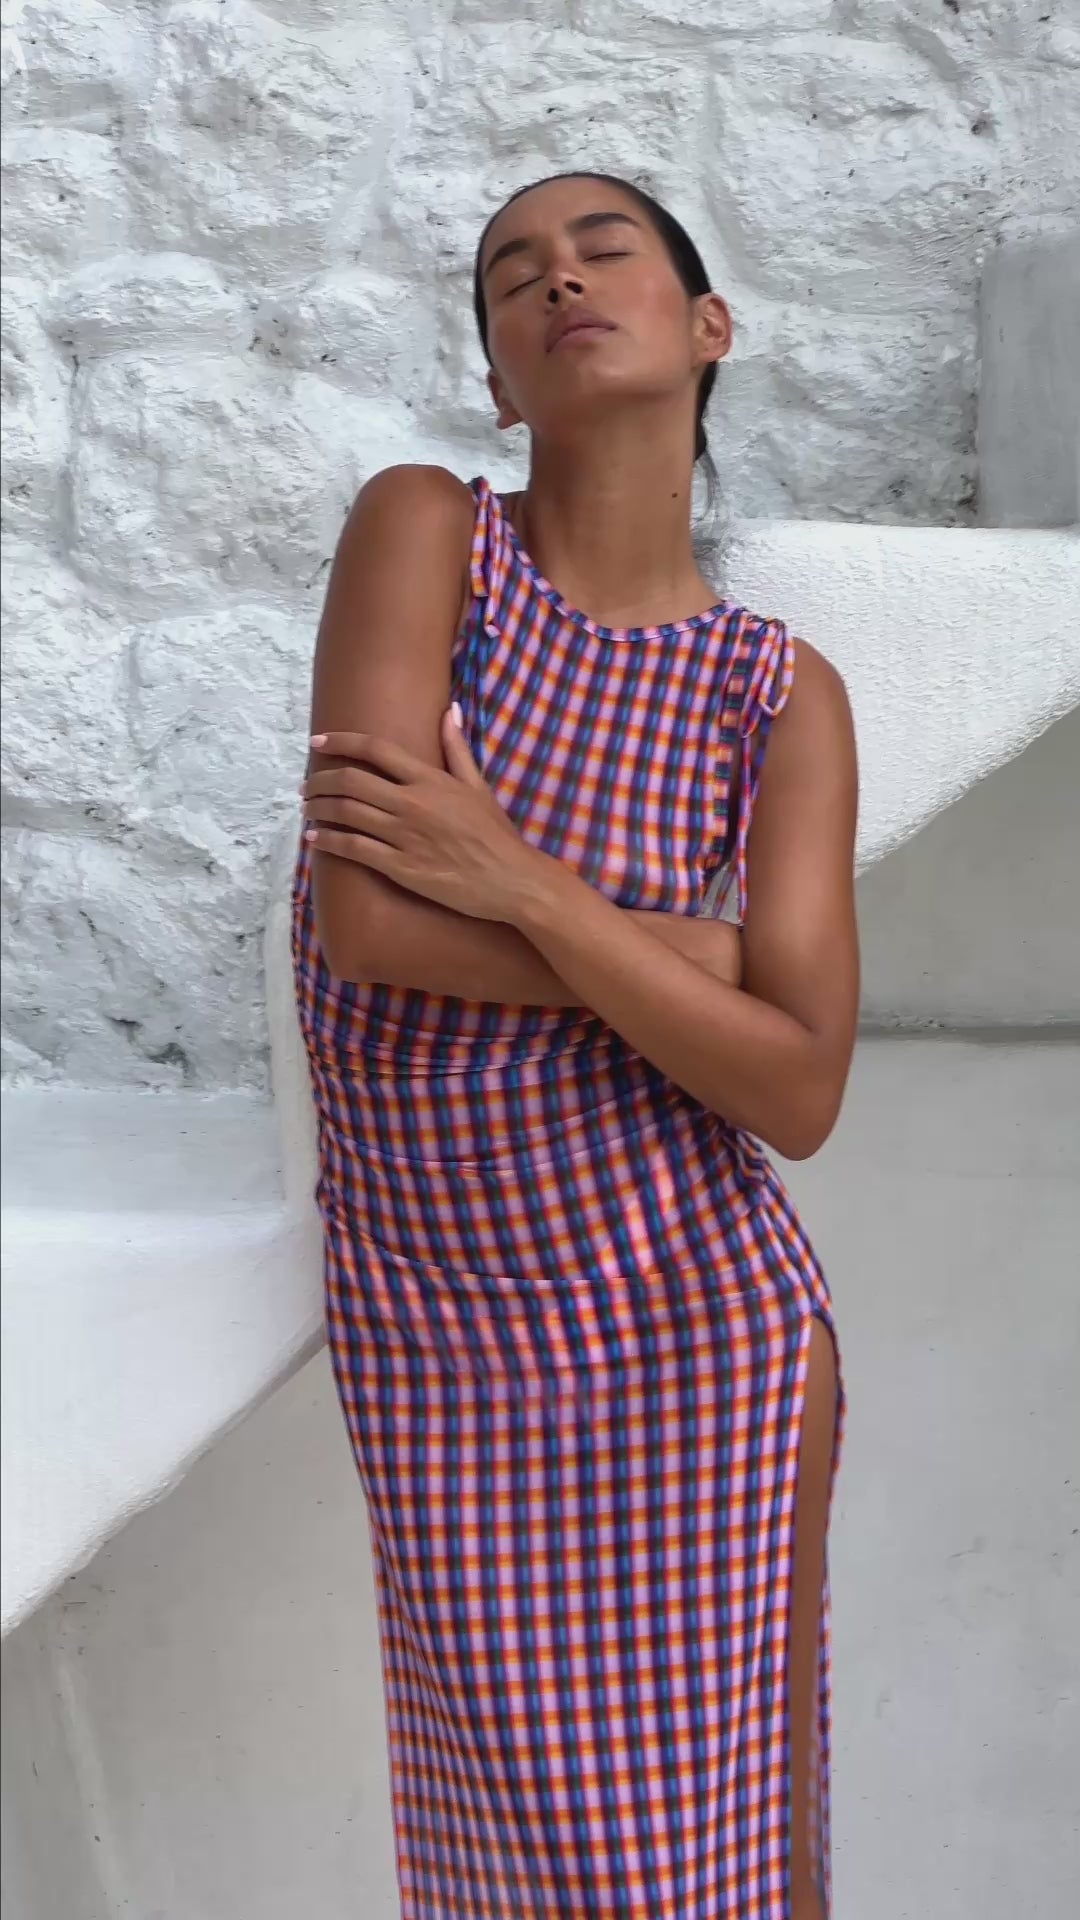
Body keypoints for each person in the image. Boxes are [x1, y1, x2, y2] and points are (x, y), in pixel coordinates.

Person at [292, 169, 858, 1920]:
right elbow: (371, 930)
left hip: (706, 1330)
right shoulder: (430, 534)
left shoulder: (779, 690)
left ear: (708, 327)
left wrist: (521, 882)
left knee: (737, 1867)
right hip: (448, 1327)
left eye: (605, 250)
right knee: (519, 1867)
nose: (557, 278)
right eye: (511, 275)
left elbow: (799, 1084)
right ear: (496, 377)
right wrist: (696, 958)